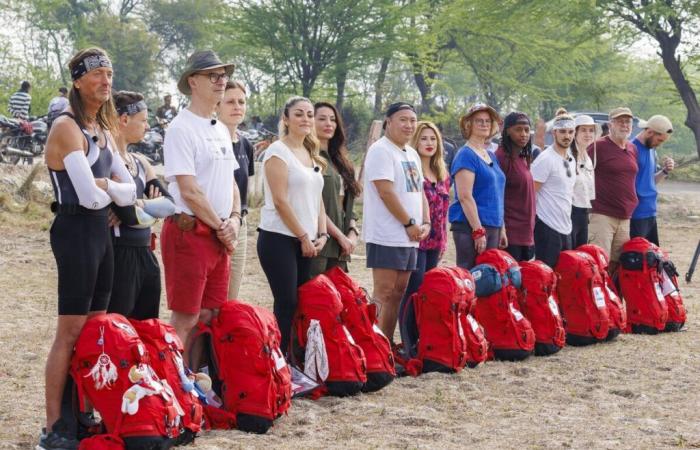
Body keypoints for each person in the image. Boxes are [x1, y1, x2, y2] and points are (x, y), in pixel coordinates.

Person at [40, 47, 137, 450]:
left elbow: (128, 193)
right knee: (70, 331)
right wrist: (111, 191)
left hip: (101, 234)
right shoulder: (67, 126)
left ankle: (83, 412)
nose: (106, 81)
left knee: (96, 329)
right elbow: (89, 197)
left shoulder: (103, 128)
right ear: (78, 80)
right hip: (76, 229)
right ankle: (54, 425)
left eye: (110, 74)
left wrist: (110, 190)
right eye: (97, 74)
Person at [161, 50, 241, 363]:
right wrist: (221, 226)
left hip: (218, 234)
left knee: (209, 315)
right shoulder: (181, 128)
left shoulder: (219, 127)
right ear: (193, 81)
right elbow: (189, 190)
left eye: (224, 75)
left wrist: (234, 219)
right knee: (185, 318)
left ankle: (194, 381)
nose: (222, 81)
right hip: (191, 232)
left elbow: (231, 181)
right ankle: (175, 385)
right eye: (213, 75)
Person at [257, 96, 327, 353]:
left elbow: (317, 198)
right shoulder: (277, 152)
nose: (306, 119)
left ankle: (294, 359)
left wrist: (322, 234)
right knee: (286, 301)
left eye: (310, 114)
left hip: (307, 239)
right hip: (280, 238)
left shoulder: (310, 153)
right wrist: (302, 236)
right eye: (299, 114)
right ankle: (277, 360)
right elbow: (280, 201)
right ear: (285, 119)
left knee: (301, 303)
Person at [362, 102, 430, 339]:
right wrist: (409, 223)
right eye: (403, 119)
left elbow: (419, 191)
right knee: (384, 291)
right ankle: (373, 344)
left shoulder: (411, 153)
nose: (409, 125)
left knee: (399, 292)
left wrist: (426, 222)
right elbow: (386, 192)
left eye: (412, 120)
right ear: (389, 122)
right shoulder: (381, 150)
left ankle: (386, 344)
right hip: (387, 233)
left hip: (410, 236)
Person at [108, 91, 175, 320]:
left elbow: (169, 205)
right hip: (118, 255)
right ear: (124, 120)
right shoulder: (107, 161)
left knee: (147, 326)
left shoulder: (141, 161)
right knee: (118, 328)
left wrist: (138, 203)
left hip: (146, 253)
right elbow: (128, 216)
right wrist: (149, 208)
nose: (147, 127)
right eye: (144, 120)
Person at [449, 103, 506, 269]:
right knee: (473, 275)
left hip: (493, 224)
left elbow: (496, 194)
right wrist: (477, 230)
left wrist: (502, 228)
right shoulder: (466, 155)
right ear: (469, 125)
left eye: (488, 121)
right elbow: (465, 196)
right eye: (478, 121)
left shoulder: (489, 155)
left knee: (490, 279)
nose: (484, 124)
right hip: (471, 226)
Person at [400, 120, 450, 306]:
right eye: (423, 139)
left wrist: (443, 241)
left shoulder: (443, 174)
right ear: (415, 141)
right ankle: (408, 333)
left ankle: (421, 333)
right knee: (414, 287)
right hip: (417, 238)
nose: (429, 143)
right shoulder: (412, 170)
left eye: (433, 139)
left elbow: (444, 211)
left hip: (436, 240)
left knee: (429, 289)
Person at [308, 101, 361, 277]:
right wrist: (340, 236)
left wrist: (352, 231)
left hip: (342, 247)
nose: (328, 124)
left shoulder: (341, 161)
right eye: (322, 119)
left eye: (332, 119)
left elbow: (348, 204)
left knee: (338, 300)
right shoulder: (308, 158)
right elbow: (314, 205)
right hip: (320, 243)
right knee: (315, 299)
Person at [216, 80, 255, 299]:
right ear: (217, 105)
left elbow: (244, 184)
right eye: (230, 101)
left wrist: (238, 218)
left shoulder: (246, 145)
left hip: (240, 221)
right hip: (215, 221)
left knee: (232, 293)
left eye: (241, 102)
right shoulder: (209, 139)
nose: (237, 106)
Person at [588, 107, 639, 274]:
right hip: (602, 214)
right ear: (610, 124)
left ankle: (612, 299)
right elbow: (582, 174)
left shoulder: (632, 149)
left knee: (618, 264)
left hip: (625, 217)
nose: (625, 125)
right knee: (599, 261)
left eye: (628, 121)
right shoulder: (598, 147)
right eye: (620, 121)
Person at [531, 109, 577, 268]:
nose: (567, 136)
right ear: (554, 132)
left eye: (571, 132)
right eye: (563, 131)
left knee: (565, 276)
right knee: (546, 277)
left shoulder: (571, 159)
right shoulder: (545, 159)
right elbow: (530, 194)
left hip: (566, 226)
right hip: (546, 226)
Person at [495, 112, 535, 262]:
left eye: (526, 130)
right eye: (518, 129)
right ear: (507, 131)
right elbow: (496, 197)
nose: (524, 134)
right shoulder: (501, 158)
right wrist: (502, 229)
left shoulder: (522, 157)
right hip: (510, 234)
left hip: (526, 233)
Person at [630, 115, 675, 245]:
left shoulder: (652, 149)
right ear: (649, 132)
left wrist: (665, 171)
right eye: (659, 140)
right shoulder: (632, 149)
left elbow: (651, 181)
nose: (659, 144)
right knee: (636, 257)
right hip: (636, 214)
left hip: (650, 211)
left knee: (651, 259)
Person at [570, 115, 597, 248]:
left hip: (583, 212)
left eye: (591, 130)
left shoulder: (587, 157)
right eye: (584, 130)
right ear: (575, 132)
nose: (588, 134)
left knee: (581, 252)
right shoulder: (568, 156)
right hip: (569, 212)